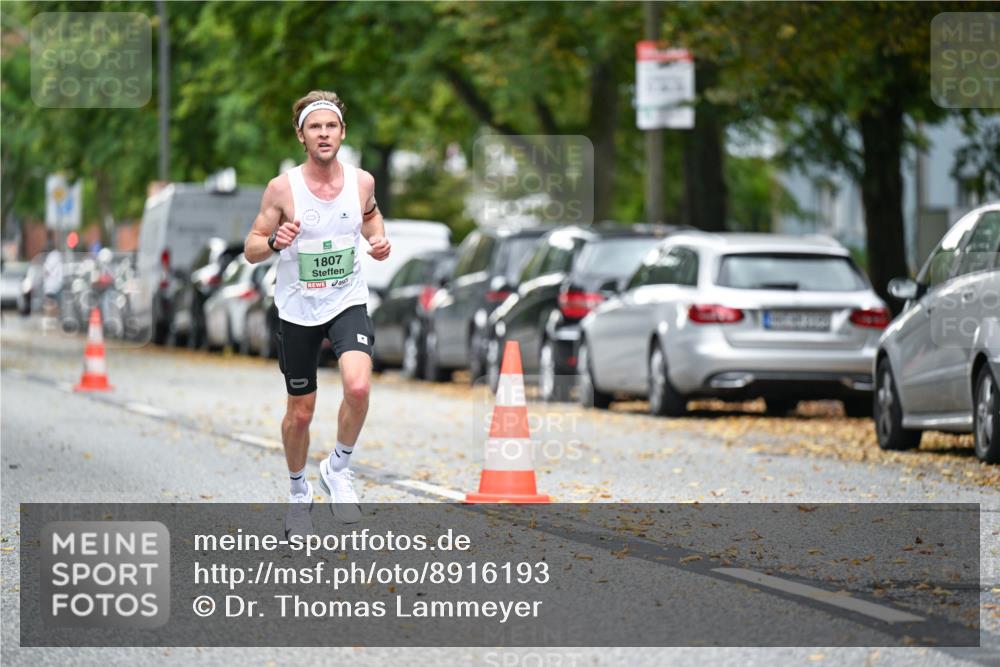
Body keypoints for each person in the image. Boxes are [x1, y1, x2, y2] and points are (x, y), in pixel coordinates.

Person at [245, 91, 390, 532]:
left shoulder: (361, 181)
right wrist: (274, 242)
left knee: (359, 387)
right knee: (301, 412)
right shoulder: (282, 188)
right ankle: (297, 493)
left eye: (331, 126)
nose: (323, 134)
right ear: (301, 136)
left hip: (346, 299)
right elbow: (252, 247)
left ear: (342, 133)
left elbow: (370, 215)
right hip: (297, 309)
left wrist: (378, 240)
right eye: (315, 127)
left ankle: (338, 468)